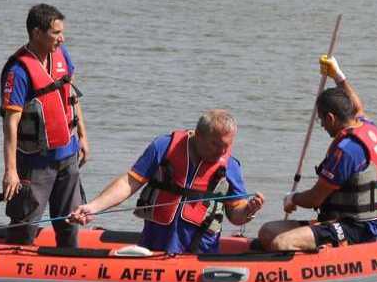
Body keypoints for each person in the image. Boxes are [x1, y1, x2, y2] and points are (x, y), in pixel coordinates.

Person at [68, 109, 265, 254]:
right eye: (216, 144)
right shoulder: (164, 146)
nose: (222, 151)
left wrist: (249, 210)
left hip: (200, 250)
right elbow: (129, 182)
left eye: (227, 145)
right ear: (199, 135)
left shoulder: (230, 166)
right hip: (155, 242)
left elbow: (236, 215)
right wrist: (93, 207)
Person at [258, 56, 377, 251]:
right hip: (339, 220)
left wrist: (292, 199)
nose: (322, 126)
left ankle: (325, 262)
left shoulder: (347, 151)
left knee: (282, 243)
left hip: (356, 228)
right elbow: (357, 105)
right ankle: (320, 243)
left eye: (321, 120)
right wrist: (338, 75)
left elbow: (315, 198)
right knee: (267, 232)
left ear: (331, 118)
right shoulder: (368, 127)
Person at [0, 3, 89, 247]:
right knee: (24, 228)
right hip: (35, 164)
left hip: (68, 157)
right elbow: (10, 124)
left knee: (70, 226)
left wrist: (82, 135)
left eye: (62, 32)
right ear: (37, 33)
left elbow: (71, 95)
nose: (62, 38)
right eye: (56, 33)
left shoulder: (62, 55)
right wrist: (10, 171)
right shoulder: (18, 71)